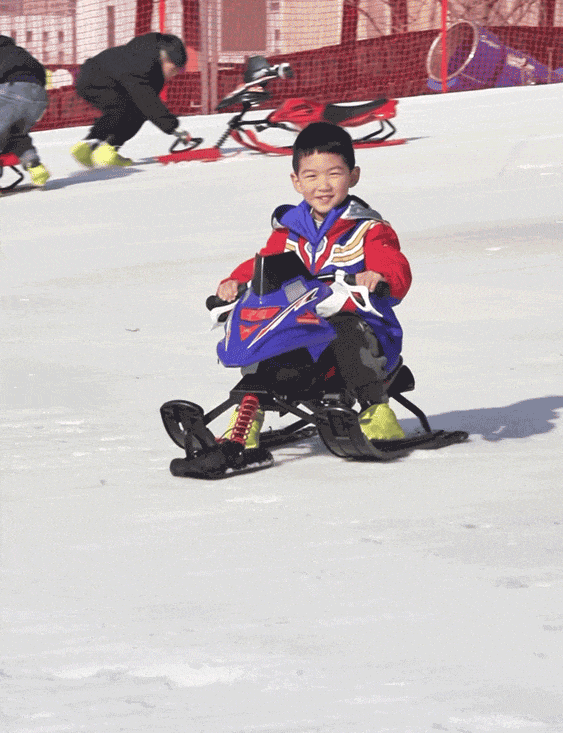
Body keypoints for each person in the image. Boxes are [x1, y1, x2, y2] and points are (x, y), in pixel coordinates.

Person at [215, 121, 412, 446]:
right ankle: (247, 413)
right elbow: (264, 264)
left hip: (363, 329)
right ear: (296, 181)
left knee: (347, 331)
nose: (323, 185)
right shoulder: (288, 232)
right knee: (263, 337)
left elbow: (393, 263)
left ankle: (377, 412)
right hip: (302, 328)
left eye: (334, 174)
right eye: (311, 176)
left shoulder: (367, 229)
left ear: (353, 175)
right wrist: (236, 281)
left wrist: (380, 277)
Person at [70, 32, 189, 168]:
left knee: (135, 111)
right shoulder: (143, 64)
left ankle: (101, 148)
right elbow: (148, 102)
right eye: (174, 70)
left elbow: (149, 105)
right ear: (166, 59)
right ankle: (95, 147)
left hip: (100, 79)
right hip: (94, 79)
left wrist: (171, 126)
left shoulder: (153, 68)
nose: (174, 75)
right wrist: (173, 128)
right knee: (121, 108)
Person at [0, 35, 50, 187]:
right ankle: (34, 165)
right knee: (16, 134)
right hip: (39, 97)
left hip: (11, 91)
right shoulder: (21, 52)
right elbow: (41, 72)